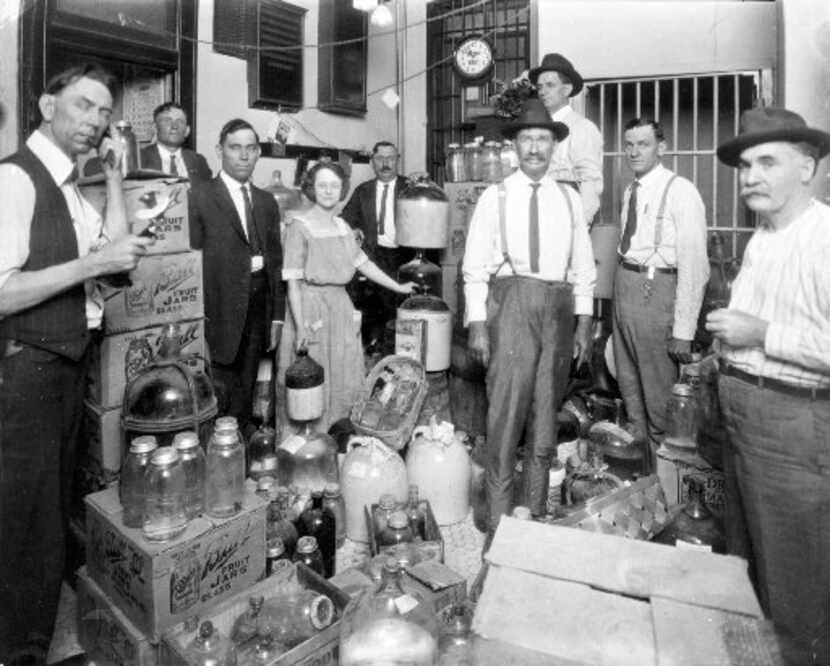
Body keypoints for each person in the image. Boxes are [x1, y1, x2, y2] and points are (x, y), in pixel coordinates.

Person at [0, 64, 153, 663]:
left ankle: (28, 636)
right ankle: (19, 650)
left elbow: (114, 257)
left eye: (104, 113)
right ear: (45, 104)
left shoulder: (67, 186)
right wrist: (93, 265)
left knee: (48, 513)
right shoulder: (15, 181)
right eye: (84, 105)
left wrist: (113, 176)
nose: (95, 121)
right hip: (25, 373)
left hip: (62, 369)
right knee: (26, 524)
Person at [706, 107, 830, 664]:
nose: (750, 176)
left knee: (795, 587)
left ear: (808, 169)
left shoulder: (822, 239)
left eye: (766, 162)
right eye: (745, 164)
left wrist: (759, 333)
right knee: (747, 564)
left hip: (792, 428)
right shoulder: (764, 235)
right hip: (742, 414)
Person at [463, 97, 596, 533]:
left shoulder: (570, 199)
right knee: (505, 417)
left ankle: (534, 519)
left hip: (558, 311)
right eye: (527, 139)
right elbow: (474, 268)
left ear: (553, 146)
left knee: (544, 420)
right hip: (511, 308)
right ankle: (499, 530)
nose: (535, 148)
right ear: (514, 146)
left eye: (543, 139)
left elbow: (583, 267)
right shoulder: (494, 197)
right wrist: (478, 325)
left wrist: (583, 322)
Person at [278, 161, 414, 435]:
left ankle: (337, 442)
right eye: (322, 185)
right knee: (313, 380)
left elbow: (363, 263)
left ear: (343, 190)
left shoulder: (342, 226)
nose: (329, 191)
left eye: (335, 186)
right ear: (312, 189)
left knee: (344, 376)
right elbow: (292, 282)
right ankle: (308, 447)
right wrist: (301, 326)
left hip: (340, 307)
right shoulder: (299, 226)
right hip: (310, 309)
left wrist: (398, 288)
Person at [612, 118, 709, 464]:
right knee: (630, 390)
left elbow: (696, 266)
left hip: (657, 294)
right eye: (629, 144)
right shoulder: (630, 190)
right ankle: (644, 484)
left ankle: (669, 490)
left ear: (662, 148)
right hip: (624, 287)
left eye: (644, 144)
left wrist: (683, 331)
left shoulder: (681, 191)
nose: (634, 151)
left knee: (659, 403)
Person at [190, 118, 284, 435]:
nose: (243, 156)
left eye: (251, 148)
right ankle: (217, 465)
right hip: (218, 317)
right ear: (220, 151)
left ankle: (238, 463)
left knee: (245, 396)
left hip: (258, 314)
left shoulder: (267, 202)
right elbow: (191, 265)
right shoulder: (199, 197)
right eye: (235, 148)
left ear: (258, 153)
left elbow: (276, 264)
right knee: (218, 398)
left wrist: (277, 319)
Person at [340, 141, 411, 346]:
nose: (385, 163)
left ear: (398, 160)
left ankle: (395, 353)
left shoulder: (409, 188)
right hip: (373, 256)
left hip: (402, 257)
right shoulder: (363, 190)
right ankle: (373, 349)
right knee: (370, 311)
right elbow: (346, 218)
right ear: (372, 162)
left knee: (398, 310)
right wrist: (353, 229)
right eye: (380, 159)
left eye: (390, 158)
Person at [529, 52, 603, 226]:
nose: (543, 92)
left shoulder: (582, 128)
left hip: (567, 216)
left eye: (550, 85)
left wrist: (579, 226)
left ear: (567, 89)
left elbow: (590, 183)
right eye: (539, 87)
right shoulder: (539, 129)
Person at [140, 102, 212, 182]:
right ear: (155, 128)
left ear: (187, 131)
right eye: (167, 121)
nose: (174, 126)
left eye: (180, 121)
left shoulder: (198, 161)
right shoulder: (139, 159)